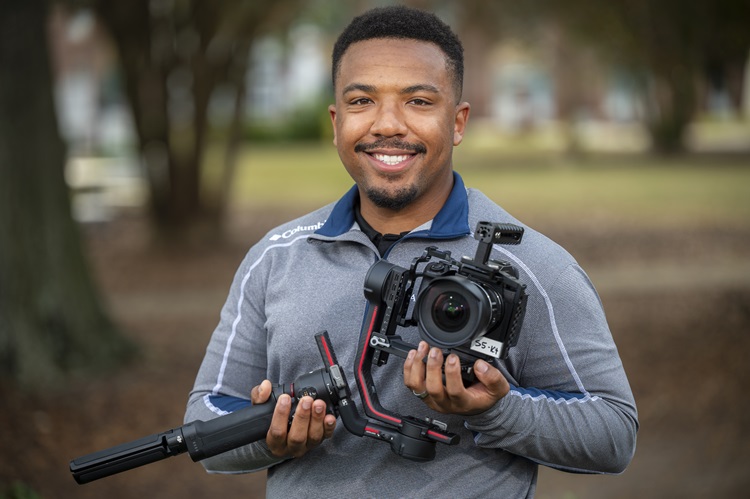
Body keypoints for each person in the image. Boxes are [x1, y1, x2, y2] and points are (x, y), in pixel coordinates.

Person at [185, 5, 638, 497]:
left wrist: (495, 409)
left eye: (419, 101)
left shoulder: (531, 265)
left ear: (458, 121)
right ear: (336, 122)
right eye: (361, 101)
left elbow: (612, 434)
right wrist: (272, 438)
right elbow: (206, 421)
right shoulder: (274, 257)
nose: (387, 125)